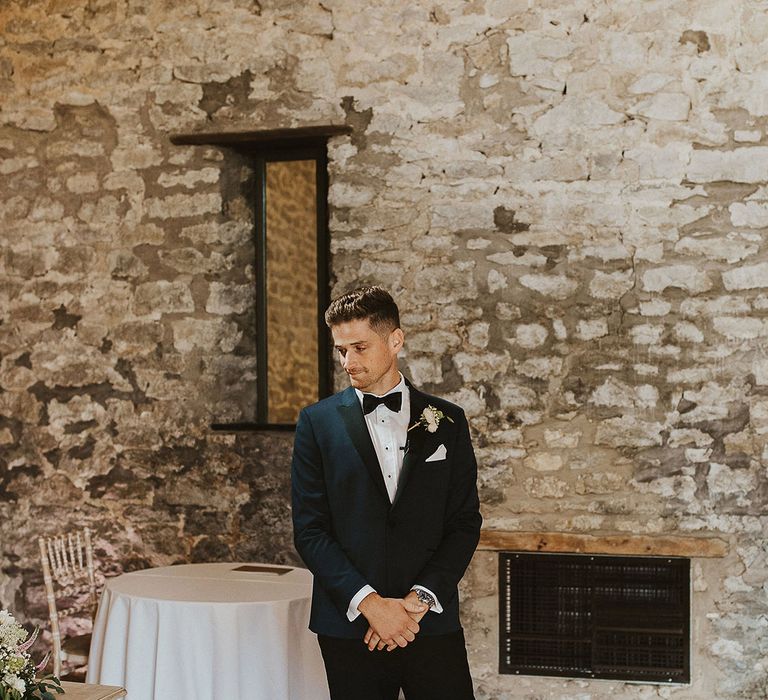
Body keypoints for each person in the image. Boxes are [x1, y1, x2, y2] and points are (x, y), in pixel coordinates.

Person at [291, 286, 482, 700]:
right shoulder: (316, 423)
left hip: (429, 621)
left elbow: (464, 522)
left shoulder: (448, 420)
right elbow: (310, 530)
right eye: (341, 350)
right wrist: (372, 606)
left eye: (359, 347)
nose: (348, 362)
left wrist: (417, 601)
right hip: (350, 626)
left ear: (395, 340)